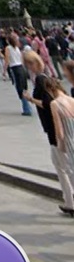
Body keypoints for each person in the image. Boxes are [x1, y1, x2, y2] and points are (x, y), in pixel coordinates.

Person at [24, 54, 74, 217]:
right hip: (67, 134)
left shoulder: (42, 82)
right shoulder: (67, 95)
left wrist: (30, 99)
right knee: (62, 167)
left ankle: (70, 202)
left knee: (65, 168)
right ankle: (69, 201)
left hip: (58, 134)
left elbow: (46, 103)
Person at [47, 76, 74, 214]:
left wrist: (60, 145)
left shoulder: (55, 104)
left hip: (70, 143)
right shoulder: (72, 100)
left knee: (71, 173)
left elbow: (59, 131)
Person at [5, 33, 32, 116]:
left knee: (19, 88)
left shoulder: (8, 48)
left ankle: (26, 108)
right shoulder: (17, 48)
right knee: (24, 87)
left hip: (15, 68)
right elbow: (22, 59)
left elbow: (7, 60)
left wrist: (4, 70)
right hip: (21, 67)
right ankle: (28, 106)